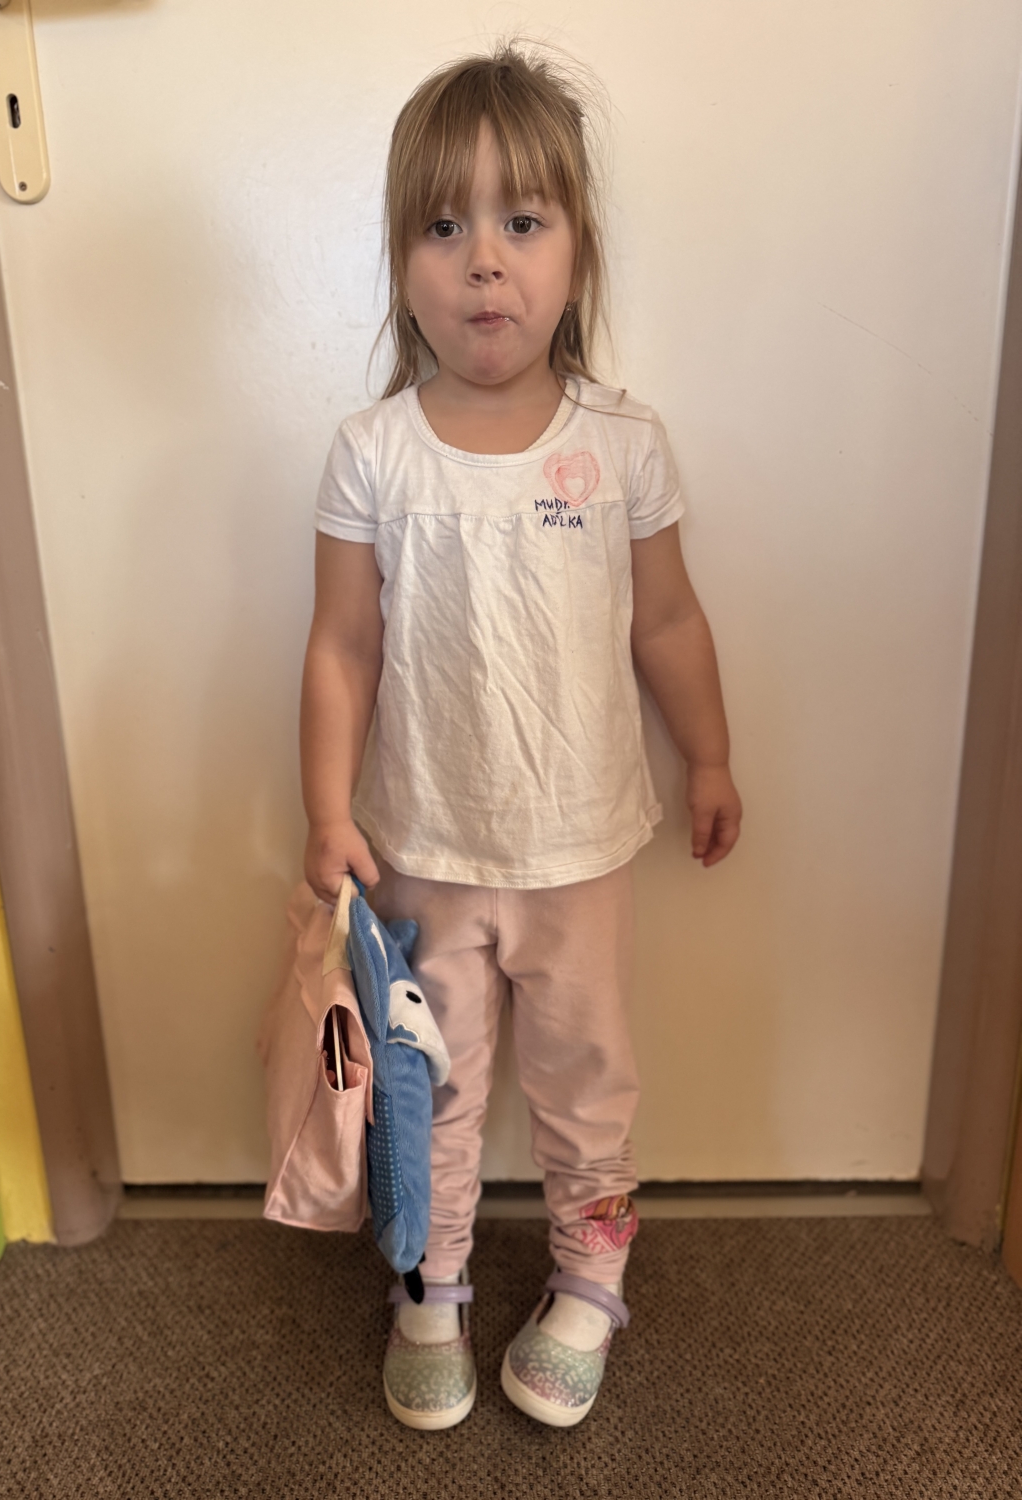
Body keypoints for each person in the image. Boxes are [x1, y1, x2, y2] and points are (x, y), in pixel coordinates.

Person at [299, 44, 742, 1431]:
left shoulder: (623, 444)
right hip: (421, 851)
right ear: (401, 261)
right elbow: (341, 646)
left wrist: (710, 756)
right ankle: (428, 1286)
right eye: (444, 226)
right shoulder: (373, 451)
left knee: (586, 1081)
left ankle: (589, 1281)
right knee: (428, 1087)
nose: (483, 260)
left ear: (576, 251)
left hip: (581, 851)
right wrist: (327, 811)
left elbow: (668, 621)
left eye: (521, 221)